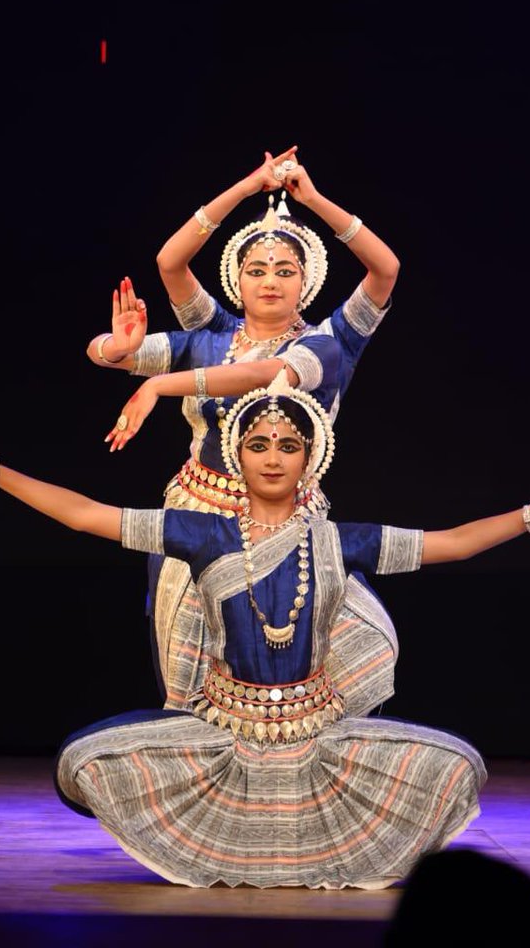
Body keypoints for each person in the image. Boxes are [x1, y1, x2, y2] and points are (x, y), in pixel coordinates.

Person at [0, 379, 530, 890]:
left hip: (318, 730)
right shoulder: (200, 534)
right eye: (259, 443)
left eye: (289, 444)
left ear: (309, 457)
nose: (273, 456)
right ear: (238, 456)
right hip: (225, 728)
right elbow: (87, 515)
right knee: (89, 759)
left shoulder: (339, 541)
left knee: (455, 768)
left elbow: (453, 543)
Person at [85, 149, 402, 713]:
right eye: (257, 270)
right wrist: (119, 349)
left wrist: (312, 202)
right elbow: (168, 265)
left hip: (289, 522)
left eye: (286, 270)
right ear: (236, 279)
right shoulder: (208, 334)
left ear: (306, 280)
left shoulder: (329, 343)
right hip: (197, 514)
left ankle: (300, 782)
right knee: (190, 670)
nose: (271, 281)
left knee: (308, 663)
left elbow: (384, 271)